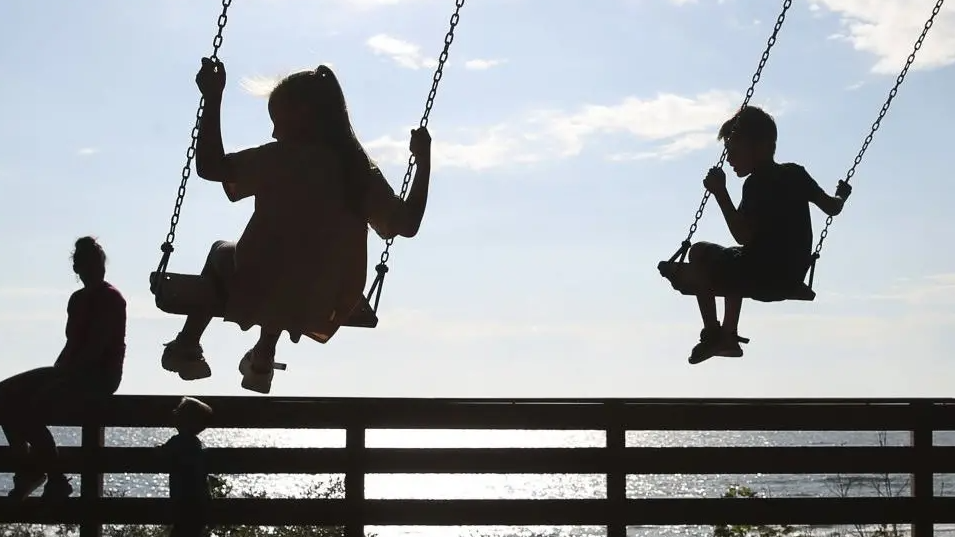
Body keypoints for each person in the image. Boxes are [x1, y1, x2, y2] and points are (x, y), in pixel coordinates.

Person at [160, 58, 433, 394]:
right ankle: (262, 358)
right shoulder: (359, 173)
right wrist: (424, 160)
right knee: (290, 262)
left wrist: (213, 97)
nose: (274, 132)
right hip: (324, 298)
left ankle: (187, 345)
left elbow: (210, 166)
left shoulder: (280, 158)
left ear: (304, 118)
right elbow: (406, 225)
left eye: (279, 122)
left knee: (224, 252)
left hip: (261, 282)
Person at [685, 106, 852, 365]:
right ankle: (728, 334)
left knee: (698, 252)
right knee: (735, 259)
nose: (729, 159)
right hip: (789, 276)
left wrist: (720, 193)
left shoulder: (756, 184)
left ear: (760, 146)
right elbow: (832, 207)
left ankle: (714, 333)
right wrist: (842, 194)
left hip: (763, 275)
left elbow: (742, 234)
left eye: (734, 151)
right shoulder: (796, 173)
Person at [1, 236, 127, 499]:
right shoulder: (77, 299)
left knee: (32, 407)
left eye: (98, 263)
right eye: (90, 263)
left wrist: (57, 376)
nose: (96, 269)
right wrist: (57, 370)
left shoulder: (111, 299)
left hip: (99, 376)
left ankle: (54, 477)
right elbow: (73, 343)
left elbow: (97, 349)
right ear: (78, 269)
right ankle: (27, 469)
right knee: (4, 394)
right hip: (70, 370)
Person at [159, 396, 213, 537]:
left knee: (180, 531)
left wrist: (156, 450)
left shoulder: (177, 442)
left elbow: (163, 454)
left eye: (178, 413)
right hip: (198, 501)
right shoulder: (196, 444)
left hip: (182, 501)